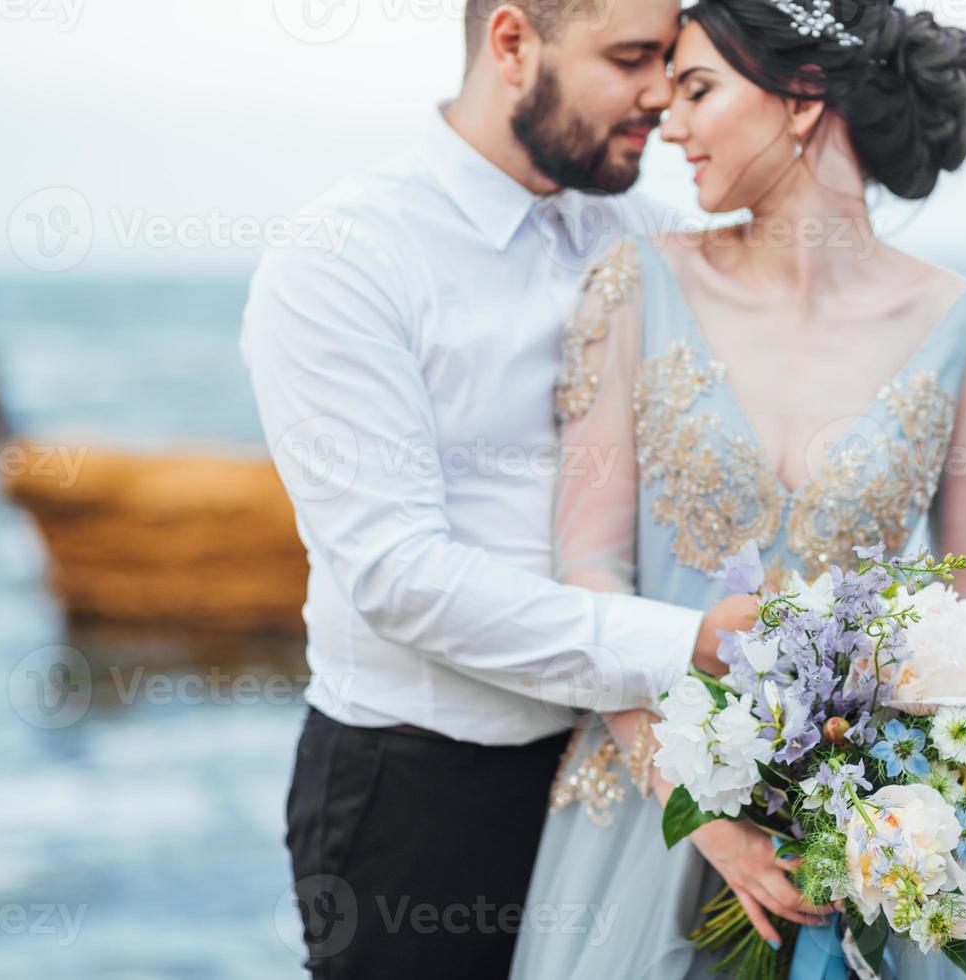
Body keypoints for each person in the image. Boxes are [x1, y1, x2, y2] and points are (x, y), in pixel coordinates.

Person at [239, 1, 762, 976]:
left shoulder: (652, 236)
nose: (662, 93)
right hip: (423, 795)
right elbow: (397, 573)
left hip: (640, 777)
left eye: (672, 58)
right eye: (631, 57)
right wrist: (681, 642)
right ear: (512, 43)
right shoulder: (343, 256)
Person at [511, 1, 966, 977]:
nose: (670, 125)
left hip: (871, 847)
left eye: (698, 90)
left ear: (798, 100)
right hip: (645, 819)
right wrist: (705, 818)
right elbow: (586, 570)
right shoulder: (634, 286)